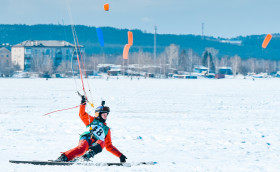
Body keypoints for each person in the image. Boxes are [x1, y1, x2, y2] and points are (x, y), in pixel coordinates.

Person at [55, 96, 127, 162]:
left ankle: (87, 156)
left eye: (106, 114)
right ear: (98, 114)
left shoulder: (107, 129)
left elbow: (109, 146)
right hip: (86, 138)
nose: (105, 116)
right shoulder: (92, 120)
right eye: (103, 114)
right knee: (81, 149)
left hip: (95, 144)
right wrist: (83, 104)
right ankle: (64, 157)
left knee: (102, 142)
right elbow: (82, 114)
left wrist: (120, 155)